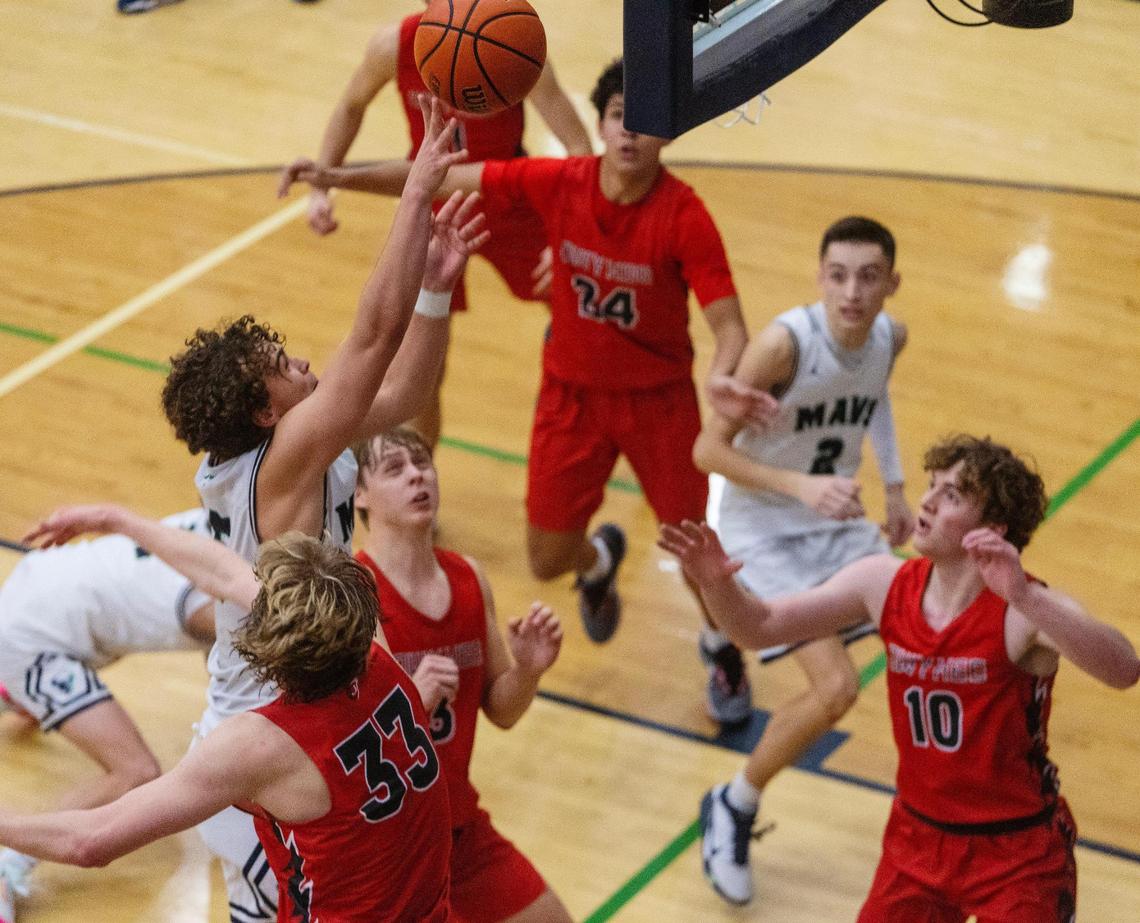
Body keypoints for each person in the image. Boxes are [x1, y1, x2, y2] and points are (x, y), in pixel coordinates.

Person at [279, 58, 778, 724]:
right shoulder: (561, 181)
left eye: (647, 121)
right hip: (570, 397)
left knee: (690, 547)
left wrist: (724, 374)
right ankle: (598, 561)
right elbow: (439, 179)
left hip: (659, 404)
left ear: (667, 135)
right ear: (599, 122)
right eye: (617, 115)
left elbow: (730, 327)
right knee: (547, 560)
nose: (630, 132)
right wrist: (335, 175)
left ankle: (720, 646)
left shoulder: (684, 214)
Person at [162, 97, 484, 918]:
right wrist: (413, 195)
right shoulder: (281, 464)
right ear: (267, 413)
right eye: (281, 363)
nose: (302, 358)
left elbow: (405, 384)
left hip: (306, 711)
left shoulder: (294, 453)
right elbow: (371, 339)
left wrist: (437, 294)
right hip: (264, 732)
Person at [660, 434, 1140, 922]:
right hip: (918, 838)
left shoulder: (1026, 608)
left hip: (1017, 852)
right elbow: (758, 628)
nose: (926, 501)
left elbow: (1124, 669)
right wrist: (716, 583)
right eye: (932, 485)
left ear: (993, 528)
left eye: (951, 495)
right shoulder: (881, 582)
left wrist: (1027, 597)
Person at [13, 506, 454, 923]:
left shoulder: (259, 746)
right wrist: (114, 518)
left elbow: (89, 842)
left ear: (265, 644)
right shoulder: (380, 656)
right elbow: (222, 571)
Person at [691, 216, 913, 904]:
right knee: (836, 689)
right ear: (819, 277)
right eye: (839, 275)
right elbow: (708, 451)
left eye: (868, 276)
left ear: (890, 283)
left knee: (926, 636)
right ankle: (735, 800)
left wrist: (897, 484)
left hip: (834, 524)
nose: (852, 291)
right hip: (762, 522)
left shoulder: (889, 335)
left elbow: (872, 397)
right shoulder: (784, 345)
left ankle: (718, 631)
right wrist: (803, 486)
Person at [302, 4, 592, 448]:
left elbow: (576, 144)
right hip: (431, 209)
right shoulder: (393, 46)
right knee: (422, 366)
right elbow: (350, 105)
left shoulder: (511, 37)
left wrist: (570, 235)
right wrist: (322, 184)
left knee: (582, 309)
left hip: (509, 194)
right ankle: (419, 477)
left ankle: (603, 424)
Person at [352, 427, 571, 923]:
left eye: (422, 463)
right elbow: (343, 738)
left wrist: (530, 670)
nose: (417, 475)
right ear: (359, 494)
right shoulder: (356, 593)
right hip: (388, 848)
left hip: (458, 830)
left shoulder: (469, 576)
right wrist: (411, 705)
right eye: (395, 469)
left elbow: (502, 709)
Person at [0, 509, 215, 923]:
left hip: (44, 586)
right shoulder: (217, 606)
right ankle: (11, 862)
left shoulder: (234, 504)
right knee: (135, 772)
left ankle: (22, 693)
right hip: (32, 640)